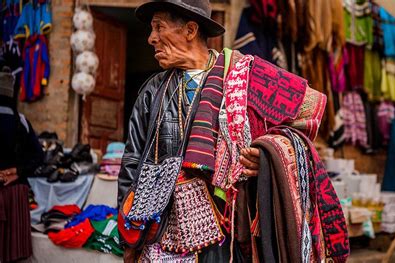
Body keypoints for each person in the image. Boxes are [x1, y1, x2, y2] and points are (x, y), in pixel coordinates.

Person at [118, 0, 349, 262]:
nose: (151, 38)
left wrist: (268, 155)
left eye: (159, 28)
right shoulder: (152, 92)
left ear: (190, 30)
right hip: (160, 235)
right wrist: (128, 237)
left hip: (226, 235)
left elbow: (307, 112)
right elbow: (132, 163)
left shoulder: (246, 75)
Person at [0, 65, 44, 262]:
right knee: (12, 256)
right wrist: (18, 171)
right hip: (15, 195)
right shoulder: (22, 121)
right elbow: (39, 157)